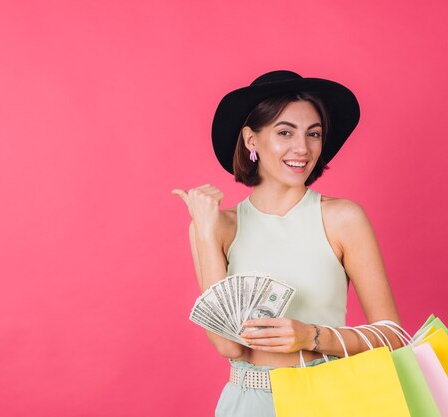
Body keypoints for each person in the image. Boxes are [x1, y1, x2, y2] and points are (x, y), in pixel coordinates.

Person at [172, 70, 404, 417]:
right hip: (247, 403)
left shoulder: (342, 218)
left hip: (328, 399)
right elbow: (228, 346)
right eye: (285, 132)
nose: (302, 148)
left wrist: (312, 337)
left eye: (313, 134)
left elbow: (393, 336)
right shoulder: (218, 228)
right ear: (251, 140)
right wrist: (204, 231)